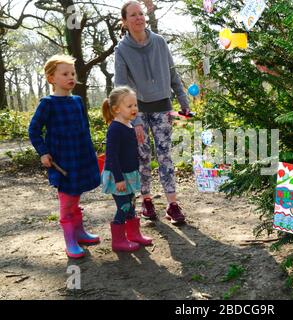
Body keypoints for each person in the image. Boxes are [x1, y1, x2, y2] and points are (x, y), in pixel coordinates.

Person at [114, 1, 189, 224]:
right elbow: (121, 85)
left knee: (165, 155)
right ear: (125, 21)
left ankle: (172, 204)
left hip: (162, 106)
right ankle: (146, 201)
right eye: (133, 15)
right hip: (137, 111)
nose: (138, 18)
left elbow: (173, 73)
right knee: (143, 156)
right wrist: (134, 119)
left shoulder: (159, 41)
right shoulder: (122, 49)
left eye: (141, 13)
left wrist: (183, 100)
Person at [28, 54, 100, 259]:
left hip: (80, 156)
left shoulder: (78, 101)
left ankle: (79, 232)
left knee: (76, 195)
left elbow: (84, 128)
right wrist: (43, 152)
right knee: (67, 199)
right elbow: (34, 130)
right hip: (62, 158)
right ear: (52, 79)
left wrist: (90, 152)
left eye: (73, 73)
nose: (71, 77)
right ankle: (70, 240)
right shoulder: (47, 103)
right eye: (65, 73)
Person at [101, 86, 153, 252]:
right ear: (116, 109)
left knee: (131, 204)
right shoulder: (115, 129)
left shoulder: (129, 126)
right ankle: (118, 240)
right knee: (123, 207)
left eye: (135, 105)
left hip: (130, 173)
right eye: (129, 106)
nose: (134, 109)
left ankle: (133, 234)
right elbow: (112, 156)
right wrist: (119, 179)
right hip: (119, 176)